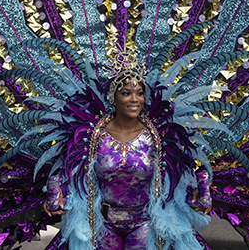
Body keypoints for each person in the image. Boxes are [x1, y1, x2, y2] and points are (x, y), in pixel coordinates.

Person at [44, 70, 212, 250]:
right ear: (112, 98)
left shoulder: (159, 138)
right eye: (126, 93)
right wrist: (58, 192)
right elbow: (76, 181)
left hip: (144, 225)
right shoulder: (91, 137)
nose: (134, 99)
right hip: (102, 225)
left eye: (139, 93)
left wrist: (197, 192)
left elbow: (172, 184)